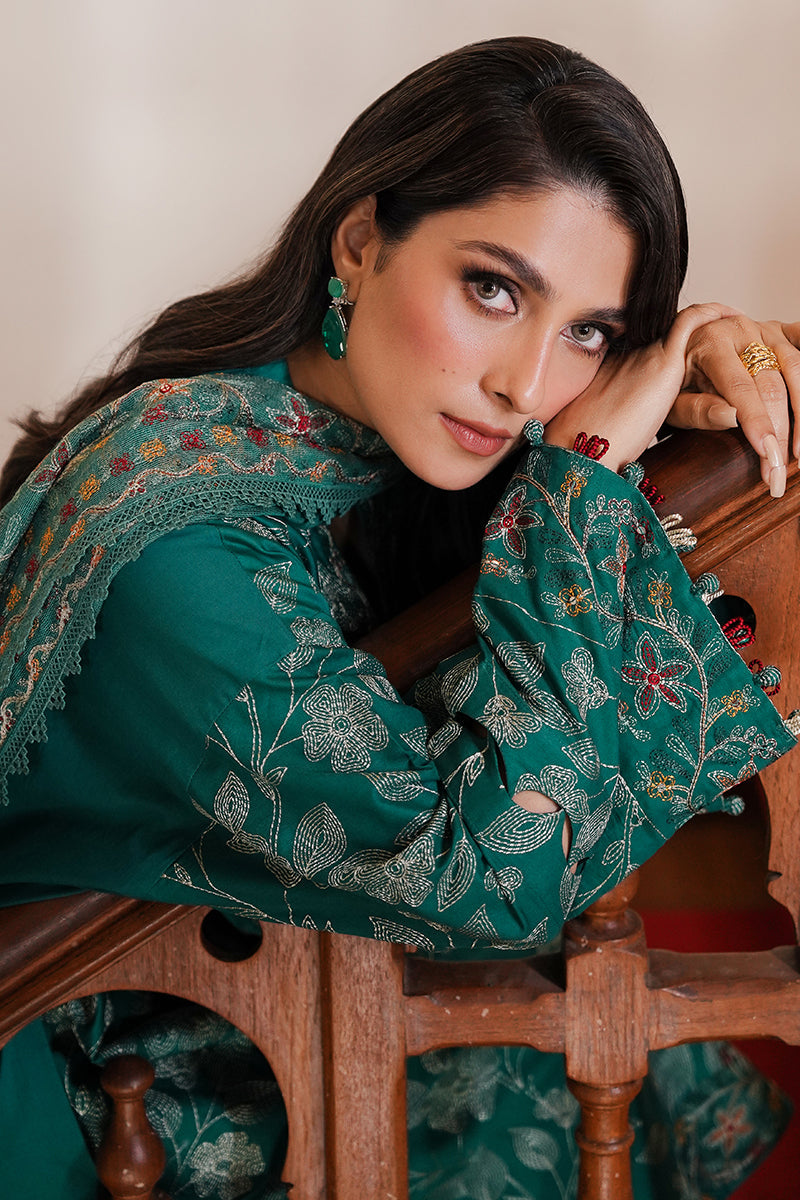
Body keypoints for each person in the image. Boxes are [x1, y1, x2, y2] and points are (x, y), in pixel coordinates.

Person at [0, 34, 798, 1200]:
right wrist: (581, 469)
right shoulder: (177, 538)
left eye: (588, 331)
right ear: (359, 243)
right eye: (492, 290)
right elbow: (481, 883)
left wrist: (708, 358)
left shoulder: (356, 434)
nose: (525, 384)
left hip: (244, 978)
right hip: (95, 1057)